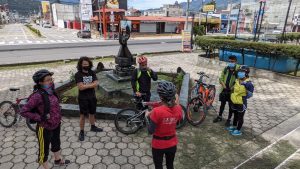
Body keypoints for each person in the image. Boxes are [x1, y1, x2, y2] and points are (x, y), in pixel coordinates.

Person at [21, 69, 70, 169]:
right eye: (48, 80)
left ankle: (58, 160)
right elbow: (23, 111)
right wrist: (39, 117)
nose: (51, 81)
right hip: (44, 127)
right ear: (40, 82)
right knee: (44, 150)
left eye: (51, 79)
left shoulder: (51, 91)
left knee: (56, 144)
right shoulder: (37, 96)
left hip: (56, 124)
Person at [145, 81, 182, 169]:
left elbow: (150, 131)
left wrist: (147, 117)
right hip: (172, 144)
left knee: (158, 166)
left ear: (161, 97)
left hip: (158, 145)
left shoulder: (156, 111)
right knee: (170, 165)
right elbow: (177, 121)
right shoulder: (179, 109)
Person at [75, 57, 103, 142]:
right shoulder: (78, 74)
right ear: (80, 65)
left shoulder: (92, 72)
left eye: (87, 64)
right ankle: (82, 131)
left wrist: (85, 85)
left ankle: (93, 126)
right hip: (83, 98)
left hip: (92, 97)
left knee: (92, 113)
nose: (86, 65)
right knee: (82, 115)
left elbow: (96, 84)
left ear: (89, 64)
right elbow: (81, 87)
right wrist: (91, 85)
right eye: (84, 64)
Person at [213, 55, 240, 126]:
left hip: (232, 91)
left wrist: (232, 87)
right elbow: (221, 78)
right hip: (224, 90)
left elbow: (239, 80)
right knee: (222, 104)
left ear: (236, 62)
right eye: (230, 61)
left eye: (232, 61)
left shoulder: (238, 70)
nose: (231, 63)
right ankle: (219, 116)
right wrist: (224, 86)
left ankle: (229, 119)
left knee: (231, 106)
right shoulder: (226, 68)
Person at [227, 65, 254, 136]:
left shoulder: (249, 83)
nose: (240, 73)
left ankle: (238, 130)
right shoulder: (237, 80)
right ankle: (234, 126)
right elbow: (232, 89)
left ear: (246, 73)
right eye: (239, 71)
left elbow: (250, 95)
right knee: (235, 114)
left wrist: (243, 98)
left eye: (242, 72)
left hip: (241, 102)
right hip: (234, 101)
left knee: (240, 116)